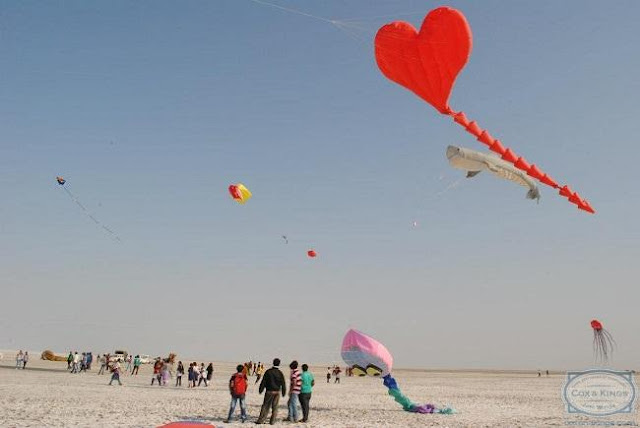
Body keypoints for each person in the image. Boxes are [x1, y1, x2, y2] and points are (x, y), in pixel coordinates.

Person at [256, 358, 286, 425]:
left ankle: (261, 420)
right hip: (277, 392)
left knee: (265, 406)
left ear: (273, 363)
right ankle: (272, 421)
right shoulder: (280, 373)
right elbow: (283, 383)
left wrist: (261, 389)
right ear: (279, 364)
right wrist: (284, 391)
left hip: (269, 391)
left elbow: (264, 381)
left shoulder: (268, 372)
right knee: (275, 407)